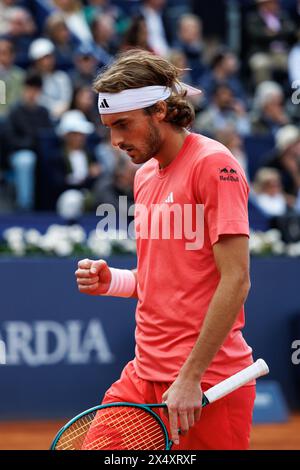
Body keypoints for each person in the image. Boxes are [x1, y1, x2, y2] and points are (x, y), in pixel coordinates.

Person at [75, 50, 255, 450]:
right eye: (108, 127)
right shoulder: (144, 177)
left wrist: (191, 377)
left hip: (208, 381)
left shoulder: (214, 165)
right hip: (143, 374)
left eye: (123, 124)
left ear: (160, 110)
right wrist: (114, 281)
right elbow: (165, 279)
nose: (116, 140)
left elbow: (237, 279)